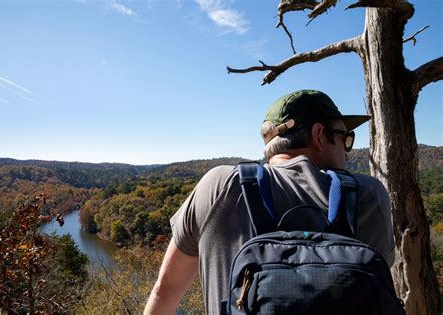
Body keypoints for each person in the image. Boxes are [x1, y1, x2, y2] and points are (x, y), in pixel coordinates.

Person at [144, 89, 395, 315]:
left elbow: (164, 292)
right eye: (345, 137)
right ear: (319, 135)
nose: (348, 152)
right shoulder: (368, 195)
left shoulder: (218, 186)